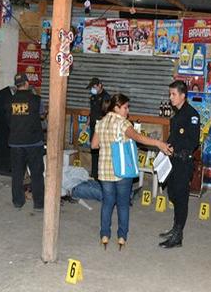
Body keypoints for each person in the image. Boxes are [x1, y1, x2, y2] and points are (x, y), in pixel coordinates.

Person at [92, 93, 172, 250]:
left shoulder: (100, 123)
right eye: (125, 107)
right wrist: (159, 143)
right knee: (122, 204)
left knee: (107, 203)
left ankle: (104, 235)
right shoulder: (123, 124)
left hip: (105, 171)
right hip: (121, 169)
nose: (127, 111)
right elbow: (138, 137)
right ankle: (122, 236)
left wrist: (108, 146)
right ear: (116, 107)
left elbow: (94, 145)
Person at [159, 80, 201, 249]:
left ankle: (178, 236)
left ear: (183, 96)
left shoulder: (192, 114)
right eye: (170, 94)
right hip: (172, 160)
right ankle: (175, 227)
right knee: (173, 194)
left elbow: (193, 140)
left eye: (173, 94)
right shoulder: (176, 113)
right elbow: (174, 136)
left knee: (181, 198)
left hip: (183, 162)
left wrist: (182, 151)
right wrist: (166, 147)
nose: (171, 97)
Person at [7, 73, 45, 211]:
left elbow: (8, 120)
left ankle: (18, 202)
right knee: (36, 173)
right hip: (34, 142)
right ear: (27, 83)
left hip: (16, 142)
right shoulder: (36, 99)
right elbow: (42, 114)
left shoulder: (9, 100)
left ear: (16, 86)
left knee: (17, 173)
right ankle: (39, 204)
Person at [86, 77, 110, 180]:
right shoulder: (93, 97)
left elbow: (108, 113)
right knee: (93, 150)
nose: (93, 89)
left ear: (100, 85)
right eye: (91, 87)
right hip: (93, 127)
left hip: (101, 129)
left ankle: (101, 174)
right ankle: (94, 174)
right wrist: (87, 123)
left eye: (94, 86)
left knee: (101, 151)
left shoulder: (106, 97)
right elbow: (92, 111)